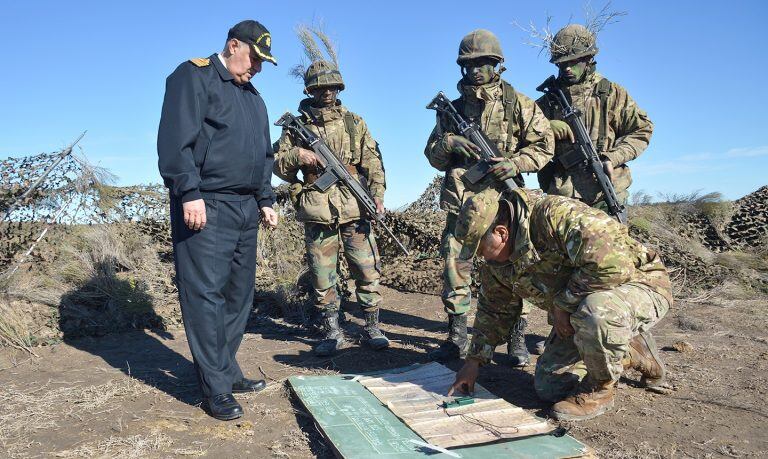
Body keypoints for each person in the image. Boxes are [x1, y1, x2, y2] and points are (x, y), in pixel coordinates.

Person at [448, 189, 672, 421]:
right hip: (580, 309)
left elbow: (613, 266)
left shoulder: (555, 214)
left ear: (501, 233)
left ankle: (600, 390)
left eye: (482, 250)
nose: (484, 258)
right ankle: (631, 351)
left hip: (639, 285)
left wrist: (563, 304)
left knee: (596, 311)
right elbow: (494, 308)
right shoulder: (498, 262)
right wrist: (474, 361)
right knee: (550, 387)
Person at [157, 19, 278, 421]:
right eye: (255, 58)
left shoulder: (253, 98)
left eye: (262, 62)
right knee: (205, 296)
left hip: (245, 208)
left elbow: (264, 154)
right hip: (205, 202)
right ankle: (215, 389)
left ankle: (224, 370)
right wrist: (188, 192)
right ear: (233, 45)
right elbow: (176, 140)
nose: (257, 67)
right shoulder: (194, 76)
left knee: (238, 296)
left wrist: (266, 198)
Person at [424, 29, 554, 364]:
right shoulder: (450, 110)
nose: (477, 70)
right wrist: (448, 144)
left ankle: (515, 337)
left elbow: (544, 147)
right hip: (462, 202)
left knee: (517, 265)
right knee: (456, 267)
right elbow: (433, 157)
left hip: (505, 205)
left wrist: (515, 163)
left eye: (484, 63)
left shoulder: (519, 103)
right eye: (470, 64)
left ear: (496, 65)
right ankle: (456, 336)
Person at [273, 59, 389, 357]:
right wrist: (299, 155)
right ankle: (332, 330)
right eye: (320, 87)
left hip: (354, 205)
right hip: (318, 210)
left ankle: (372, 327)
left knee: (366, 269)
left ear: (339, 88)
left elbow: (373, 162)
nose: (327, 92)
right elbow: (278, 166)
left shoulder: (354, 122)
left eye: (332, 86)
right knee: (322, 275)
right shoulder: (297, 127)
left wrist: (377, 195)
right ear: (310, 89)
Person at [536, 24, 653, 214]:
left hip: (607, 191)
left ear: (588, 58)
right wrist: (545, 127)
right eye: (561, 63)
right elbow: (520, 141)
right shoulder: (547, 101)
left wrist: (612, 157)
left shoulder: (611, 93)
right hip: (562, 196)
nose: (566, 68)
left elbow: (641, 130)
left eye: (572, 61)